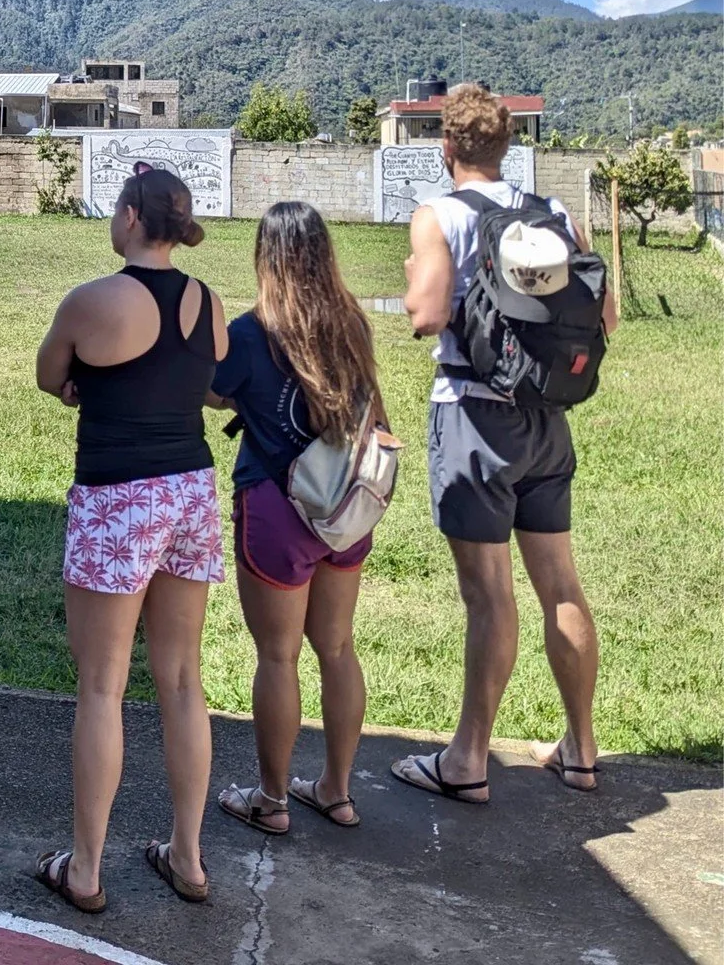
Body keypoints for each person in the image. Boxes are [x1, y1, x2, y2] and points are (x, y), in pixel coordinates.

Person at [395, 84, 616, 803]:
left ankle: (466, 760)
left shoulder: (440, 216)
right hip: (548, 419)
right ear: (508, 146)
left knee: (488, 596)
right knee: (561, 584)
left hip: (474, 419)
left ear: (447, 147)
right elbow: (604, 310)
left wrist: (417, 285)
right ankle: (581, 751)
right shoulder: (552, 213)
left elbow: (425, 316)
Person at [34, 165, 228, 913]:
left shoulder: (93, 300)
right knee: (182, 680)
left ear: (128, 217)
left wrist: (88, 380)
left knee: (103, 685)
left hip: (118, 498)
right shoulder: (207, 301)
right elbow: (207, 384)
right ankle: (188, 854)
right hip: (190, 491)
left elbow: (51, 374)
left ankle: (84, 869)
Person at [213, 201, 388, 835]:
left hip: (275, 510)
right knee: (337, 648)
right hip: (347, 509)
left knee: (278, 657)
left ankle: (271, 799)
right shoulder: (352, 327)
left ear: (266, 258)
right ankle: (336, 792)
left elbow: (211, 388)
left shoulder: (250, 333)